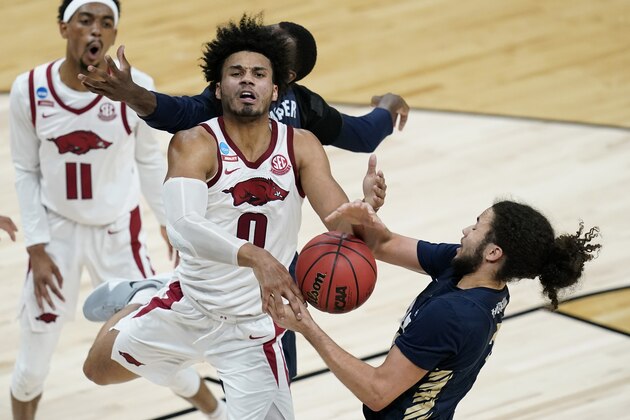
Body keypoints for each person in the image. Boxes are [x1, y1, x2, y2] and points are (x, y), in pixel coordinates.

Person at [81, 14, 385, 420]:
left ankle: (147, 295)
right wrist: (257, 257)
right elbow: (184, 227)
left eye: (259, 74)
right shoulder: (193, 144)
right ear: (219, 87)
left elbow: (341, 226)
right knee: (97, 372)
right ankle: (144, 295)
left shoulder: (302, 146)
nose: (247, 80)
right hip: (189, 304)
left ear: (276, 89)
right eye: (236, 73)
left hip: (253, 328)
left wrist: (365, 208)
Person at [270, 199, 601, 419]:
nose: (465, 231)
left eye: (476, 227)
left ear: (493, 252)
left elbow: (377, 391)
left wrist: (306, 325)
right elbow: (383, 244)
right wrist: (366, 210)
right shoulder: (472, 272)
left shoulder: (453, 317)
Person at [7, 1, 179, 419]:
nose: (96, 31)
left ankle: (215, 410)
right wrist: (37, 245)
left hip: (118, 232)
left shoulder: (136, 86)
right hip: (57, 233)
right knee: (30, 371)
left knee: (157, 354)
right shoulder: (29, 89)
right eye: (85, 21)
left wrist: (169, 222)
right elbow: (25, 170)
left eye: (107, 23)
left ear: (114, 36)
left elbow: (151, 161)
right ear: (65, 28)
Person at [77, 23, 409, 153]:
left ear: (286, 76)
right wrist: (389, 105)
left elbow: (180, 113)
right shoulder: (304, 105)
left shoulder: (244, 97)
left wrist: (132, 94)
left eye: (270, 47)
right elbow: (365, 134)